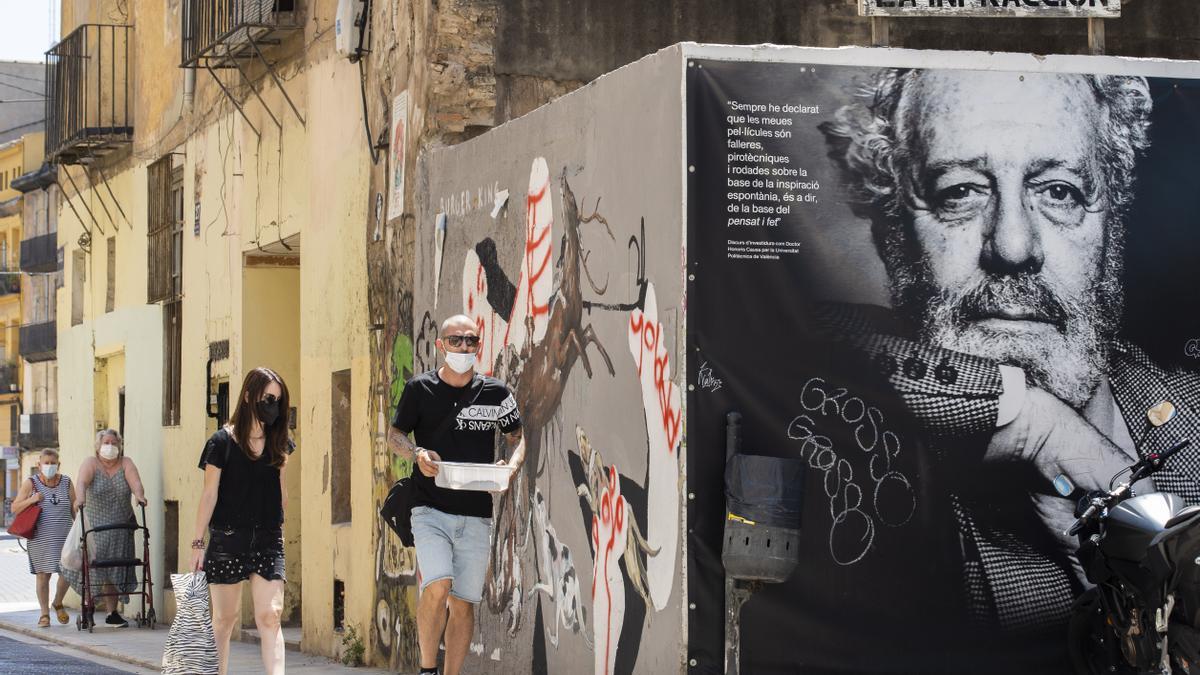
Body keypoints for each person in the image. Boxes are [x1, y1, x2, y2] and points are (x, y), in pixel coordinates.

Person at [820, 68, 1200, 630]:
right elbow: (781, 325)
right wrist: (1034, 425)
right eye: (960, 192)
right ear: (893, 232)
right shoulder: (866, 445)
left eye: (1059, 191)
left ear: (1112, 226)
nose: (1013, 245)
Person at [388, 314, 525, 675]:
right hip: (429, 507)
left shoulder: (497, 393)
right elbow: (395, 436)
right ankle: (427, 669)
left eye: (471, 341)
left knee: (463, 603)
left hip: (476, 512)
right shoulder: (420, 389)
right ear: (440, 346)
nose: (464, 347)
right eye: (456, 341)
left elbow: (518, 437)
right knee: (438, 583)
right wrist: (416, 454)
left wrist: (509, 467)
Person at [190, 367, 294, 675]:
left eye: (277, 400)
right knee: (224, 620)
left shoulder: (280, 442)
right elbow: (209, 495)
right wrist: (197, 543)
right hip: (227, 538)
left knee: (270, 615)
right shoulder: (221, 443)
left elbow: (282, 493)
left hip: (267, 539)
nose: (272, 406)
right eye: (267, 398)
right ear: (248, 396)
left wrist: (280, 531)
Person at [63, 429, 147, 628]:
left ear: (119, 445)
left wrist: (139, 495)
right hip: (95, 527)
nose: (110, 446)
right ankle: (88, 605)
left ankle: (112, 613)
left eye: (114, 442)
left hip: (120, 527)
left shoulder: (126, 463)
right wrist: (80, 498)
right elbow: (82, 482)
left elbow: (135, 482)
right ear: (98, 446)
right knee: (93, 567)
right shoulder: (91, 463)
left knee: (116, 567)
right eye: (106, 442)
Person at [11, 449, 74, 628]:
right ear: (39, 465)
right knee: (43, 575)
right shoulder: (31, 483)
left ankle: (58, 602)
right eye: (45, 463)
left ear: (58, 464)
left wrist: (81, 530)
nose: (49, 466)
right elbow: (15, 508)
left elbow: (74, 509)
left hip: (64, 536)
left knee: (68, 571)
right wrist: (32, 500)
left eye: (52, 463)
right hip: (41, 537)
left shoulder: (67, 482)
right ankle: (44, 614)